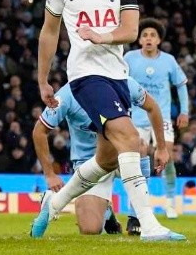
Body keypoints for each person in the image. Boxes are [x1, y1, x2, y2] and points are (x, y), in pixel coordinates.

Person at [32, 0, 184, 241]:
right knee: (130, 139)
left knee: (106, 157)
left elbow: (130, 30)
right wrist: (43, 79)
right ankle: (149, 225)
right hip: (85, 75)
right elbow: (49, 31)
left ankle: (55, 202)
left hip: (117, 73)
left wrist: (100, 37)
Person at [34, 77, 167, 235]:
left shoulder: (123, 81)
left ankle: (135, 218)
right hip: (88, 164)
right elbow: (39, 131)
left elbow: (152, 106)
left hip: (119, 156)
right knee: (90, 229)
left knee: (140, 145)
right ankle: (106, 212)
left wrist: (162, 147)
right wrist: (49, 174)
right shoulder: (68, 94)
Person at [124, 18, 189, 226]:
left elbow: (181, 85)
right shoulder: (129, 58)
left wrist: (184, 111)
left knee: (166, 157)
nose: (149, 38)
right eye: (145, 35)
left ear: (159, 40)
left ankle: (170, 203)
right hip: (136, 118)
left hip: (161, 119)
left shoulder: (169, 60)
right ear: (139, 40)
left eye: (152, 35)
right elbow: (120, 83)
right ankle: (138, 205)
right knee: (137, 162)